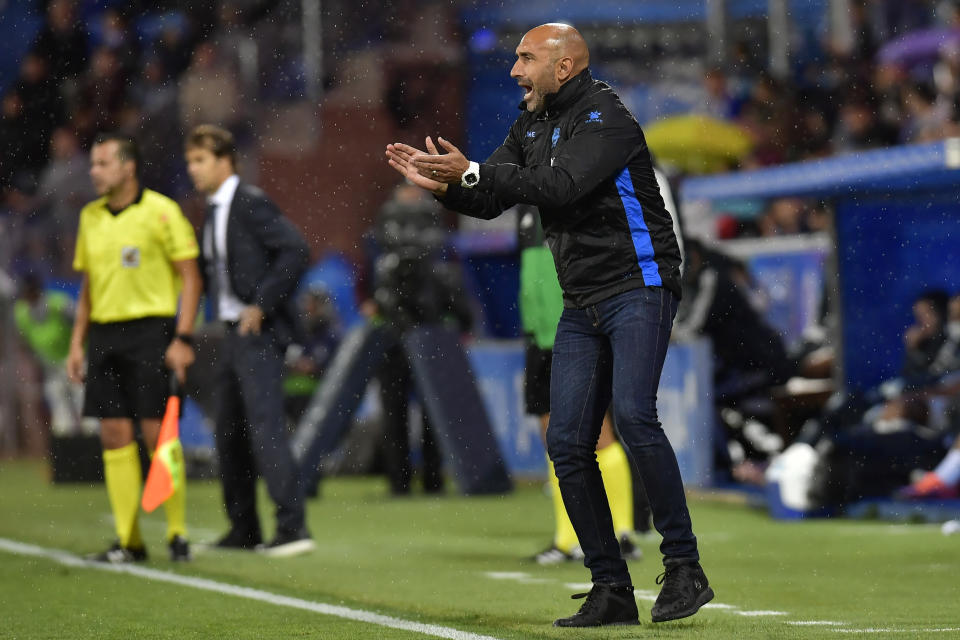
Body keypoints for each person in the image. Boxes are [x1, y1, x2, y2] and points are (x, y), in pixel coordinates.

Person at [386, 23, 712, 627]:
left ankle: (685, 567)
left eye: (525, 58)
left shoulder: (605, 116)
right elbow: (489, 197)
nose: (514, 70)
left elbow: (561, 186)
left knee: (635, 415)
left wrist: (475, 172)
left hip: (639, 283)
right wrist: (444, 186)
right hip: (582, 297)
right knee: (565, 442)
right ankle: (610, 587)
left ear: (564, 67)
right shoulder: (531, 119)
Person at [66, 132, 201, 563]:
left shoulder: (162, 212)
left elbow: (191, 278)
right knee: (112, 433)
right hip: (105, 335)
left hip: (152, 331)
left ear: (128, 167)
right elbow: (88, 286)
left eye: (102, 163)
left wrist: (182, 338)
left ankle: (177, 533)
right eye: (92, 164)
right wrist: (76, 343)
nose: (93, 171)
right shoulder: (90, 216)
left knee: (157, 433)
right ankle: (129, 541)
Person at [184, 124, 314, 557]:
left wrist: (261, 303)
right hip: (232, 335)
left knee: (266, 431)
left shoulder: (249, 203)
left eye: (200, 160)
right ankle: (244, 529)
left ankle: (293, 529)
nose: (193, 169)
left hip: (259, 334)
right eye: (190, 161)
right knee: (229, 434)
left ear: (226, 161)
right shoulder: (214, 209)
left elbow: (295, 249)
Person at [516, 205, 638, 564]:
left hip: (579, 325)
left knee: (599, 435)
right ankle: (568, 540)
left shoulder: (573, 184)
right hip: (539, 334)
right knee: (554, 437)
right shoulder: (524, 203)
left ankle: (621, 533)